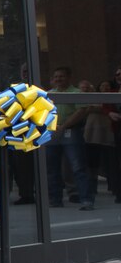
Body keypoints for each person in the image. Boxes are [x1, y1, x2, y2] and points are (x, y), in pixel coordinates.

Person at [46, 67, 94, 210]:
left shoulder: (76, 93)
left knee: (78, 167)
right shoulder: (49, 94)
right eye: (56, 76)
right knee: (51, 168)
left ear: (69, 77)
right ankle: (55, 200)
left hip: (71, 132)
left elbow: (81, 111)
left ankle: (86, 200)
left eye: (61, 76)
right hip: (52, 133)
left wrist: (64, 126)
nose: (58, 79)